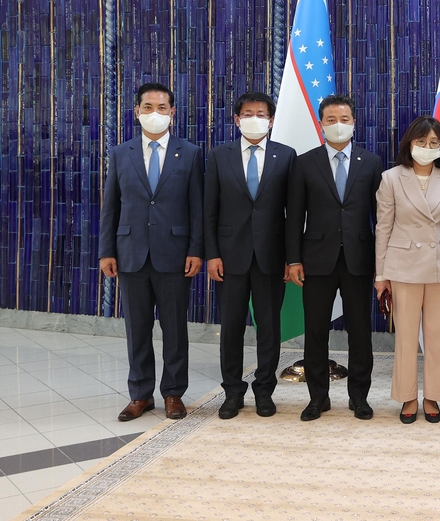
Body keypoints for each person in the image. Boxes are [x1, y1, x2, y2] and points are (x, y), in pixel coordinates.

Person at [98, 82, 203, 422]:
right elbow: (111, 207)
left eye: (162, 107)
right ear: (137, 112)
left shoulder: (189, 153)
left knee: (174, 329)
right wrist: (106, 251)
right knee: (137, 329)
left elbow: (196, 208)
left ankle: (173, 393)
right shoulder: (120, 153)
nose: (155, 113)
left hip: (175, 254)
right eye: (148, 107)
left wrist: (196, 249)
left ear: (173, 112)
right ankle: (140, 394)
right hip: (130, 254)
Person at [285, 95, 382, 422]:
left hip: (359, 259)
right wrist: (293, 259)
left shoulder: (370, 162)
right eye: (331, 119)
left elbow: (380, 218)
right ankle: (317, 398)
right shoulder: (304, 163)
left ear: (354, 122)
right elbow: (294, 216)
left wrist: (381, 264)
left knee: (360, 331)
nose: (338, 125)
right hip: (316, 260)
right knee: (315, 332)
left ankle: (359, 397)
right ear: (321, 123)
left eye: (344, 119)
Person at [204, 92, 296, 419]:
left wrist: (292, 257)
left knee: (269, 327)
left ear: (271, 120)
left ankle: (264, 391)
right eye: (247, 113)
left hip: (272, 257)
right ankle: (232, 392)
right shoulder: (219, 156)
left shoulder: (286, 156)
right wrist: (211, 254)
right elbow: (209, 210)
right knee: (231, 327)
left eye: (260, 113)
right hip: (229, 258)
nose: (254, 118)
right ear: (236, 119)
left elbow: (293, 213)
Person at [374, 116, 440, 424]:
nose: (427, 148)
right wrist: (380, 275)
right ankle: (408, 396)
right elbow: (383, 228)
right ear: (409, 144)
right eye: (421, 142)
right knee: (407, 337)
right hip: (403, 266)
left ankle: (432, 396)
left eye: (434, 143)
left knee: (437, 335)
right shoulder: (391, 178)